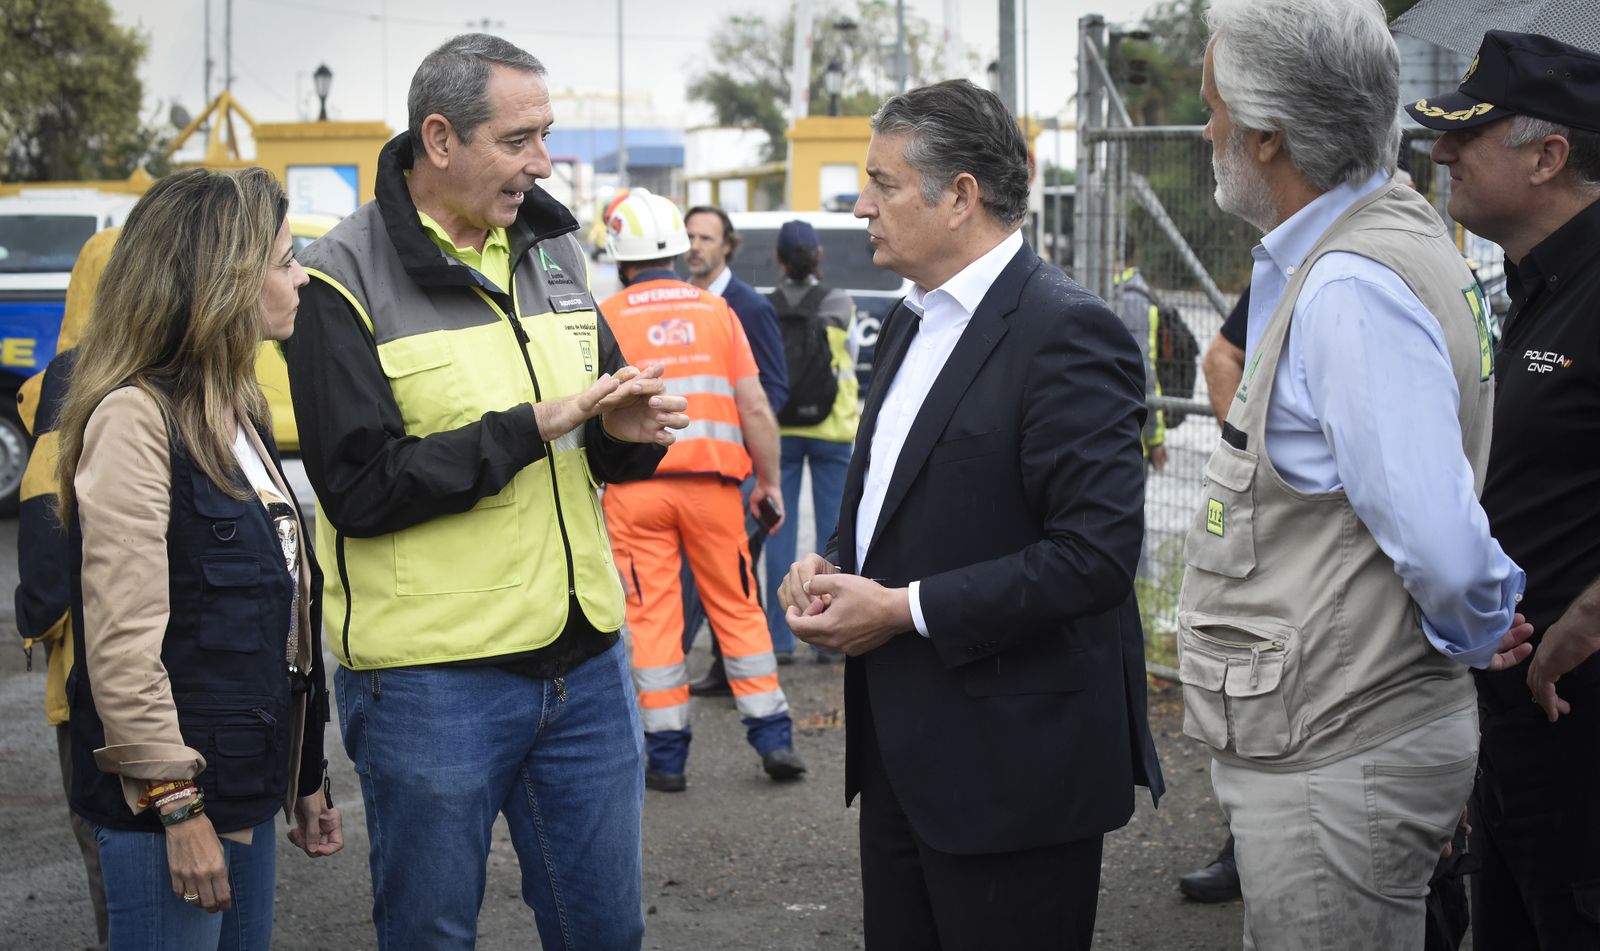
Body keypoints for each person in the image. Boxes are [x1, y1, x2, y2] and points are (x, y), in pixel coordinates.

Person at [281, 34, 686, 950]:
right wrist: (530, 424)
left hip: (585, 668)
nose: (542, 163)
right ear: (440, 139)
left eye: (545, 135)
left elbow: (596, 431)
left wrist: (627, 438)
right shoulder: (336, 278)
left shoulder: (552, 249)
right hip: (432, 685)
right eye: (519, 140)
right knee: (431, 937)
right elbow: (360, 488)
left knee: (605, 933)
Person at [1178, 1, 1535, 946]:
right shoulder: (1384, 241)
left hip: (1339, 749)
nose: (1203, 129)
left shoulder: (1348, 287)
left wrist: (1479, 625)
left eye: (1213, 108)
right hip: (1344, 735)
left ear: (1266, 136)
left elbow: (1445, 549)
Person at [778, 78, 1165, 949]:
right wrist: (835, 564)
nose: (860, 203)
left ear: (960, 196)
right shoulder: (917, 319)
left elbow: (1095, 556)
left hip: (1014, 772)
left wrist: (903, 608)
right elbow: (902, 494)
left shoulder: (1068, 330)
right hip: (905, 759)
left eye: (880, 182)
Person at [51, 167, 342, 949]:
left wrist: (305, 773)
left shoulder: (236, 409)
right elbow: (121, 643)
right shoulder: (134, 419)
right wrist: (176, 807)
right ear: (224, 281)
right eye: (284, 260)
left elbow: (280, 609)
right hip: (174, 809)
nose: (300, 276)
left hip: (243, 787)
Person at [1409, 29, 1600, 949]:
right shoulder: (1528, 285)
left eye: (1466, 135)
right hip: (1517, 725)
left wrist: (1589, 616)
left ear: (1548, 155)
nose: (1441, 151)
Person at [597, 188, 807, 791]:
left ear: (620, 254)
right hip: (716, 490)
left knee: (653, 617)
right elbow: (757, 408)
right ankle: (773, 740)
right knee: (738, 607)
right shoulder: (718, 312)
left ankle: (665, 759)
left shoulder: (605, 315)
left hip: (636, 491)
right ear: (676, 246)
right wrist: (767, 482)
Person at [15, 227, 119, 951]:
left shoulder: (71, 381)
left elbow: (44, 547)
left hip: (90, 673)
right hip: (164, 668)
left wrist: (37, 619)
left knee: (110, 838)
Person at [681, 204, 788, 691]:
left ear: (727, 246)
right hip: (692, 469)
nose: (695, 247)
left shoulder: (748, 305)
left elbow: (775, 389)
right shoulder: (682, 303)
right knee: (733, 574)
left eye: (706, 238)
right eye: (690, 237)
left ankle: (672, 669)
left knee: (715, 574)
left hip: (738, 468)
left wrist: (739, 432)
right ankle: (730, 670)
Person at [763, 219, 859, 663]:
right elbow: (853, 358)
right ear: (819, 255)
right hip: (832, 432)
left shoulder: (767, 307)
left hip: (779, 430)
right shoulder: (840, 302)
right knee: (832, 539)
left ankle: (781, 641)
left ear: (779, 259)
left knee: (778, 535)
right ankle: (828, 639)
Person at [1111, 240, 1168, 471]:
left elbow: (1142, 371)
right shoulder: (1129, 293)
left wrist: (1155, 437)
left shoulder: (1130, 298)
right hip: (1121, 438)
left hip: (1127, 442)